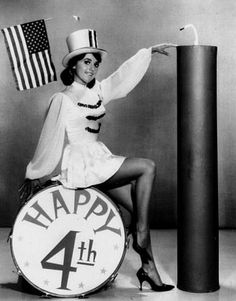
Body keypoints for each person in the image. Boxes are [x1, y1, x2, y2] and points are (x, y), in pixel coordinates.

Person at [20, 29, 176, 292]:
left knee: (140, 210)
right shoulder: (63, 99)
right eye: (85, 62)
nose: (91, 68)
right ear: (73, 65)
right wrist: (35, 172)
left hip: (100, 161)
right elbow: (49, 138)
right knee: (147, 167)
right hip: (82, 165)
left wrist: (147, 52)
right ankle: (140, 236)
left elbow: (121, 77)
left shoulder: (99, 92)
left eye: (95, 63)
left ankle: (149, 269)